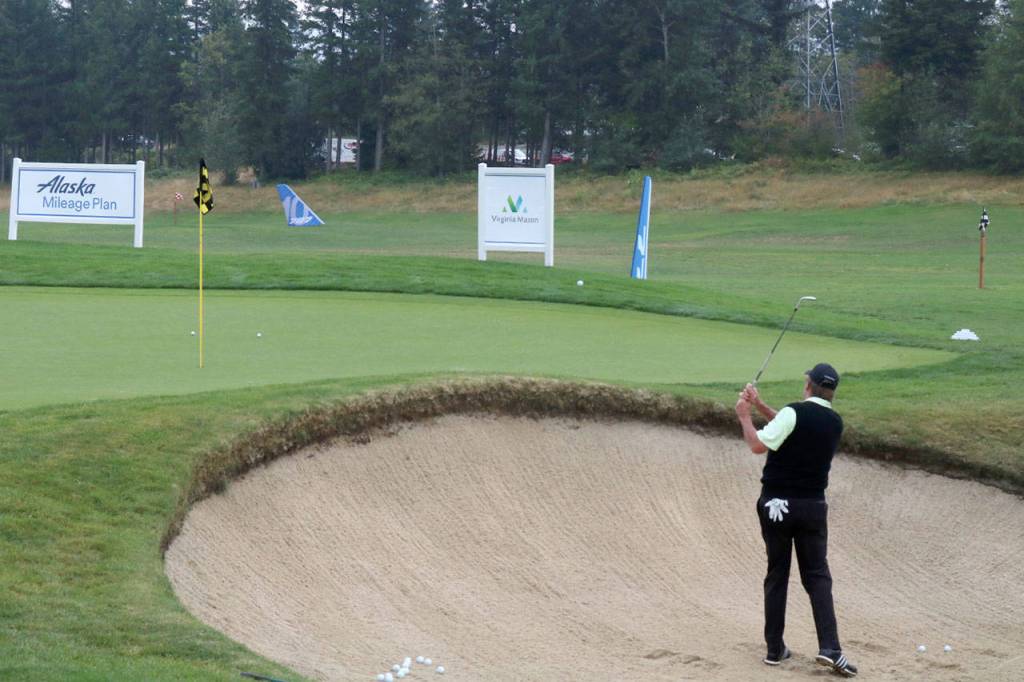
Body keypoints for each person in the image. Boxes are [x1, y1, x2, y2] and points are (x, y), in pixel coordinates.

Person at [734, 363, 858, 678]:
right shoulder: (834, 422)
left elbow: (757, 445)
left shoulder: (794, 412)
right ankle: (831, 649)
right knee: (817, 577)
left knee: (777, 573)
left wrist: (745, 416)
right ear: (830, 392)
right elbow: (789, 429)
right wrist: (761, 405)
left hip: (777, 506)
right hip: (812, 508)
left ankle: (775, 649)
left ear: (808, 385)